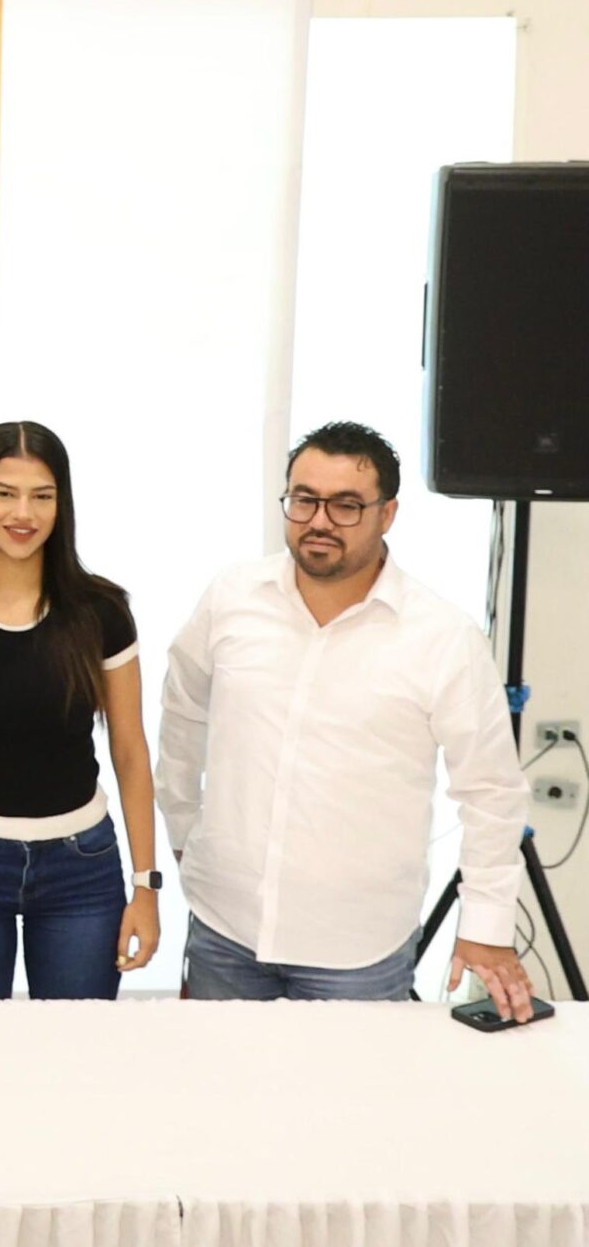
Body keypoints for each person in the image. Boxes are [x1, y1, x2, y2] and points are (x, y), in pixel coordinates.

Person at [158, 421, 534, 1016]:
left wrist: (485, 924)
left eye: (346, 505)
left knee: (351, 1083)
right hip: (225, 928)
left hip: (357, 950)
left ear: (388, 514)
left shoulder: (443, 636)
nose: (320, 521)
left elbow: (490, 790)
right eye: (304, 499)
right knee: (220, 1078)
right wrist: (184, 834)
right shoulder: (232, 597)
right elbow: (182, 717)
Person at [0, 422, 160, 999]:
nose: (23, 513)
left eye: (42, 495)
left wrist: (146, 885)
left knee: (74, 1047)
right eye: (5, 493)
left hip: (81, 867)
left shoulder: (101, 611)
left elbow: (130, 750)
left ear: (62, 504)